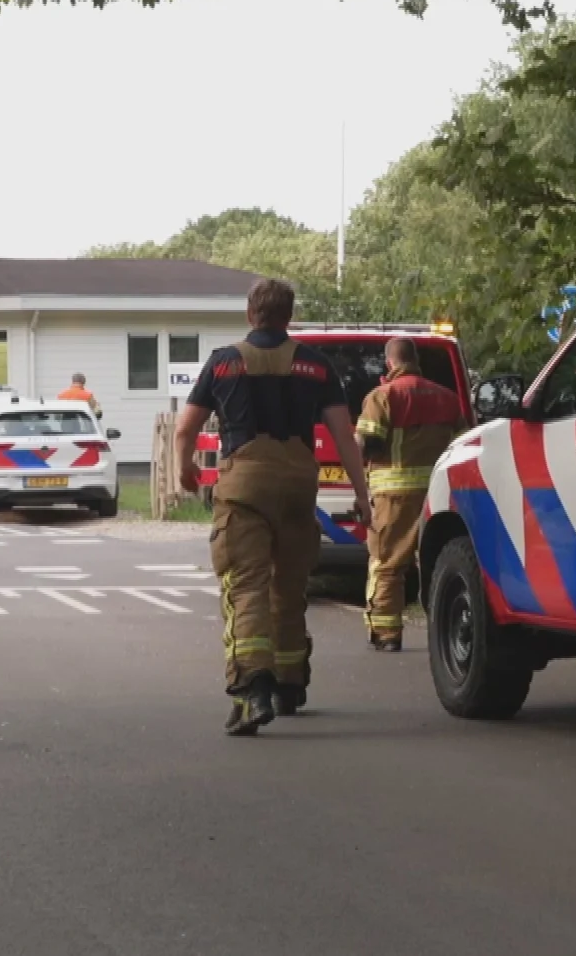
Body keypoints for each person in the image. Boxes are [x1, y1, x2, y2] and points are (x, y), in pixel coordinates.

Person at [176, 278, 371, 736]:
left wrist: (186, 468)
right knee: (288, 584)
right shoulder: (315, 365)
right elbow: (345, 436)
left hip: (244, 485)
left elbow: (186, 428)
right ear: (289, 315)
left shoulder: (224, 363)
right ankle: (289, 684)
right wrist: (362, 496)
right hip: (298, 483)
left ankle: (252, 690)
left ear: (250, 313)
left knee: (245, 586)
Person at [356, 337, 464, 651]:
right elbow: (462, 443)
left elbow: (368, 444)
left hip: (394, 494)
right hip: (440, 493)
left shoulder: (382, 397)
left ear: (390, 362)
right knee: (436, 562)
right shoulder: (447, 398)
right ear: (415, 360)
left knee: (387, 563)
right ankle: (443, 631)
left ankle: (387, 633)